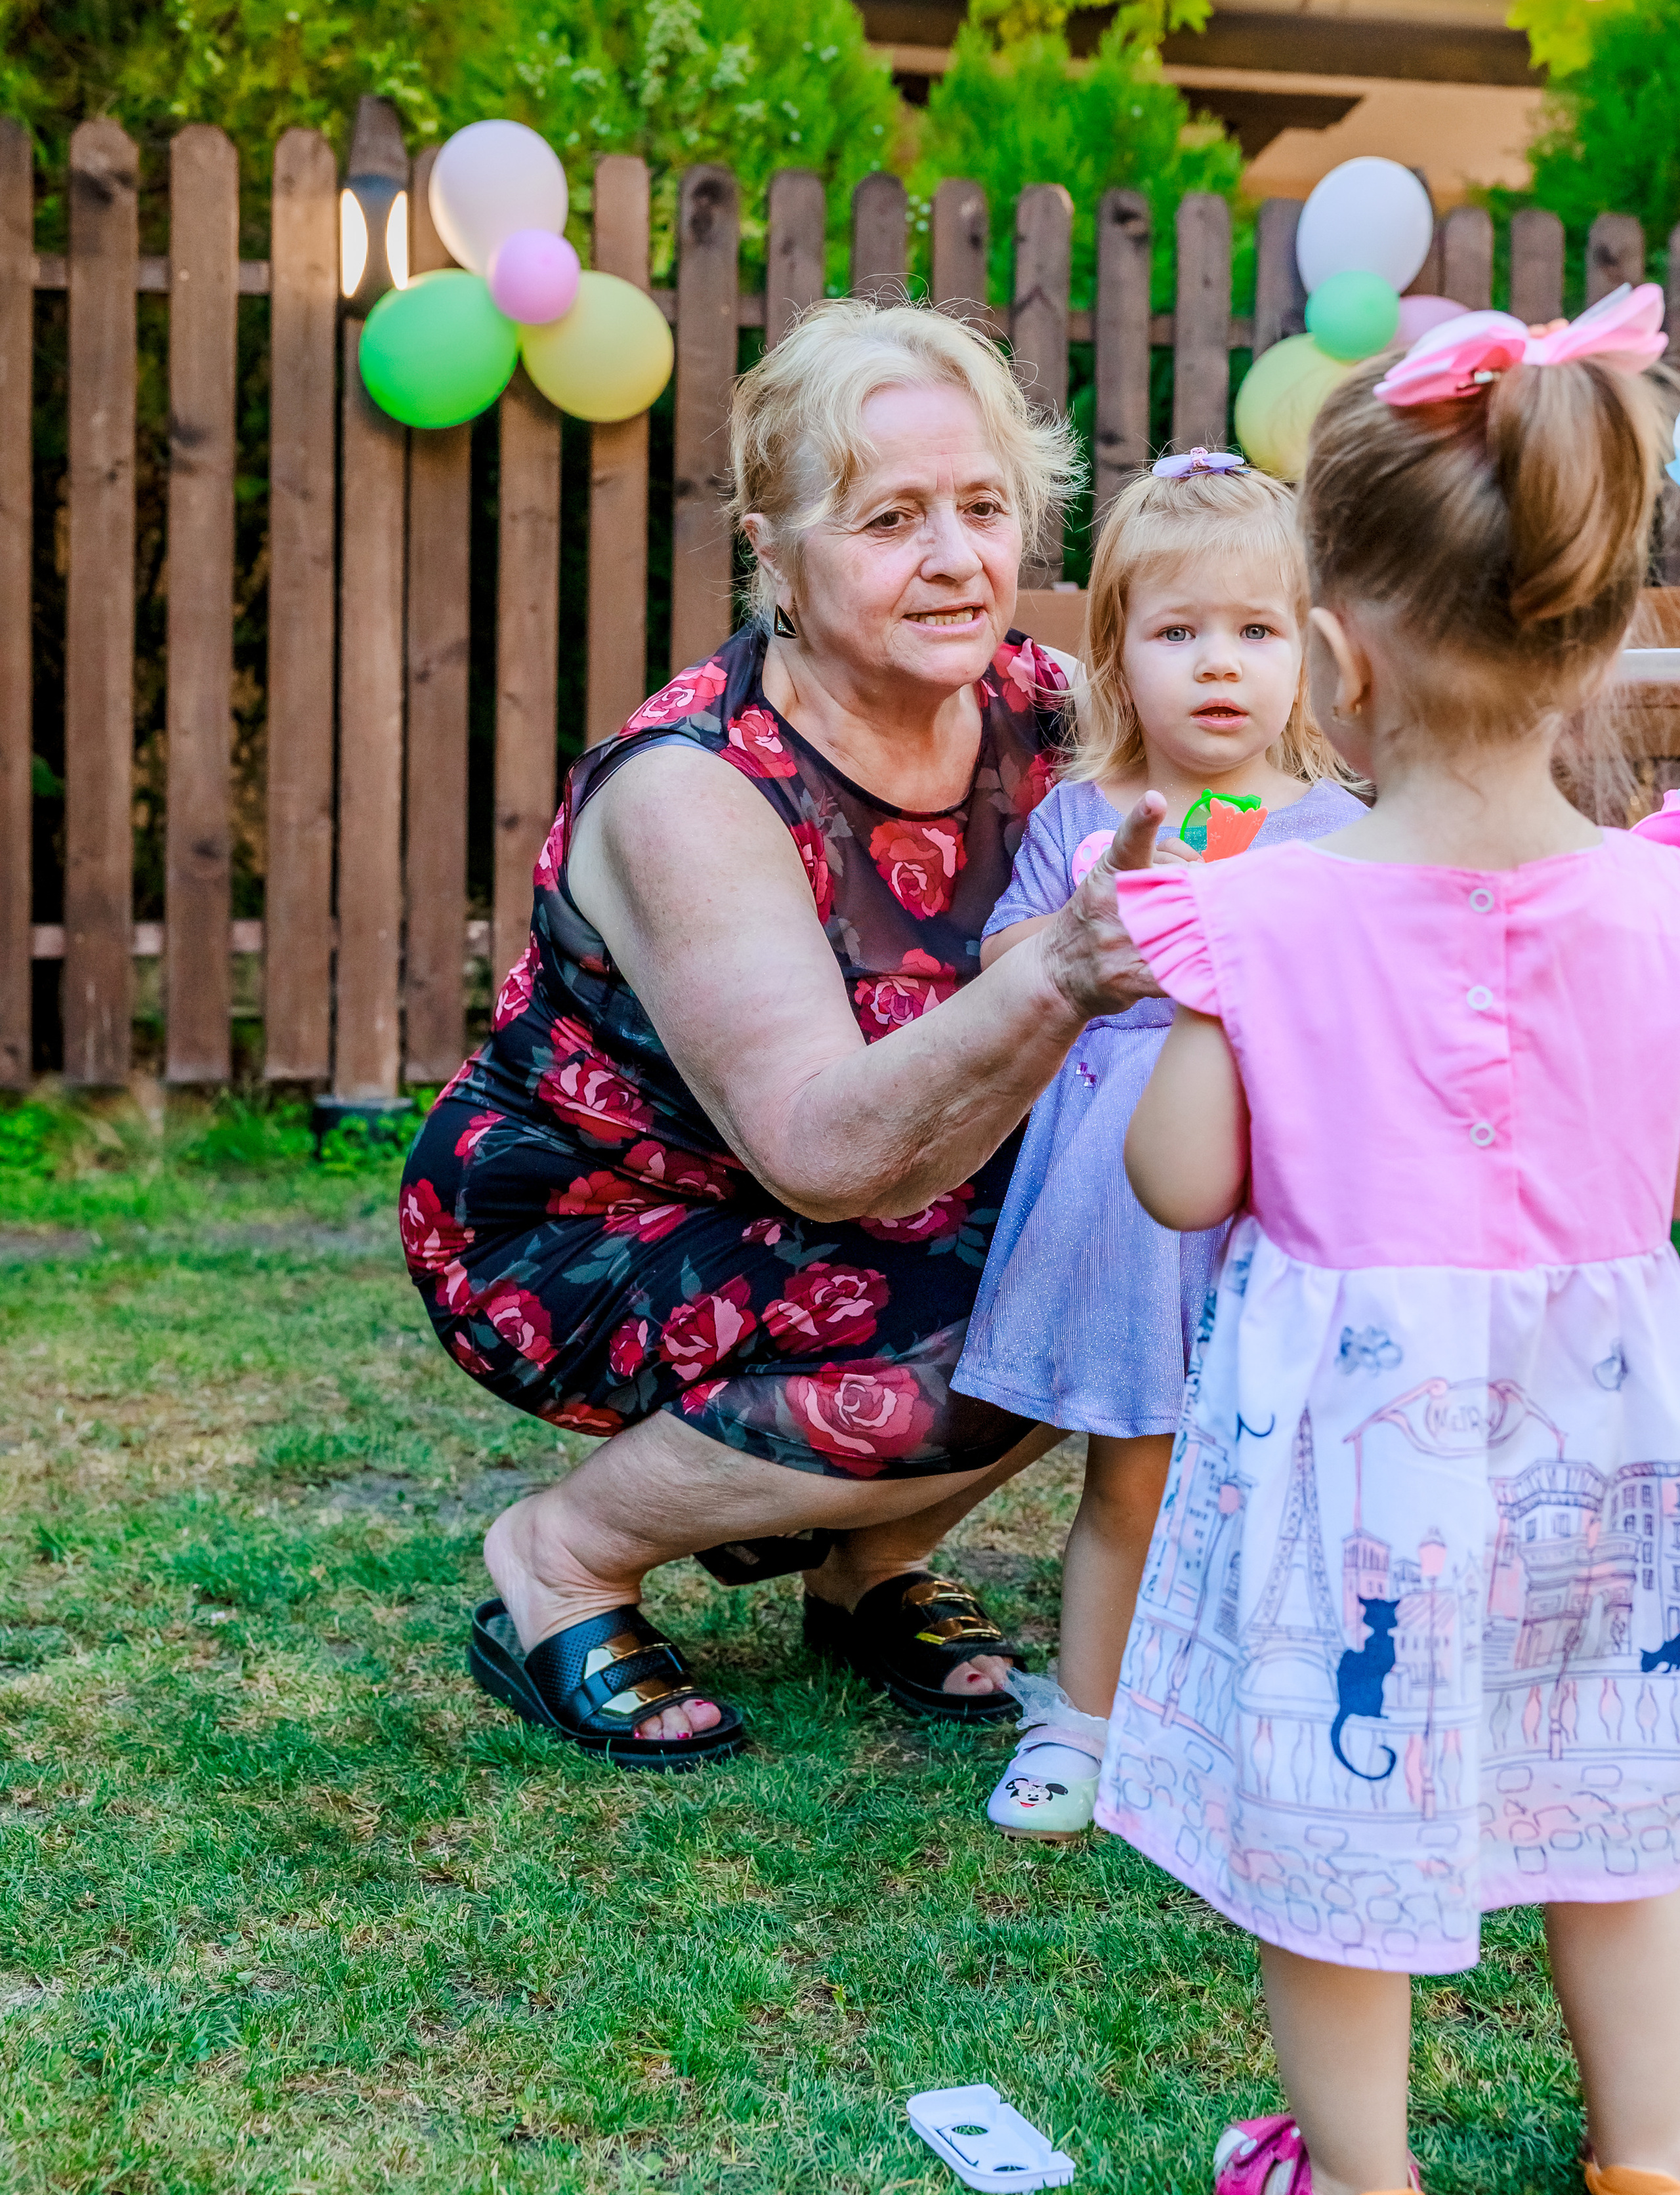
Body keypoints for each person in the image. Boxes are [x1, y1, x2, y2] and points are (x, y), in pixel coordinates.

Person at [399, 298, 1169, 1772]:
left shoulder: (1042, 710)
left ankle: (864, 1567)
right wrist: (1061, 971)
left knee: (1130, 1253)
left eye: (983, 507)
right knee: (979, 1342)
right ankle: (558, 1561)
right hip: (594, 1218)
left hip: (870, 1195)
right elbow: (819, 1152)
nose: (954, 559)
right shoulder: (693, 786)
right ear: (773, 552)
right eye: (890, 518)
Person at [1101, 285, 1680, 2195]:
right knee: (1618, 1804)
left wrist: (1213, 1000)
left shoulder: (1259, 910)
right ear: (1605, 638)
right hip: (1610, 1430)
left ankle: (1362, 2174)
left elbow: (1182, 1185)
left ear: (1334, 657)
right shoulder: (1661, 906)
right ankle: (1647, 2152)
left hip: (1359, 1452)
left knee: (1343, 1821)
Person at [952, 449, 1366, 1841]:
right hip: (1122, 1205)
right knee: (1130, 1471)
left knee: (1285, 1473)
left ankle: (1261, 1718)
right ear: (1117, 655)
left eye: (1254, 632)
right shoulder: (1084, 817)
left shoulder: (1338, 834)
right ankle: (1084, 1717)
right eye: (1177, 630)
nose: (1217, 666)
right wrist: (1097, 924)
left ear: (1309, 655)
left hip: (1276, 1200)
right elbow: (1008, 958)